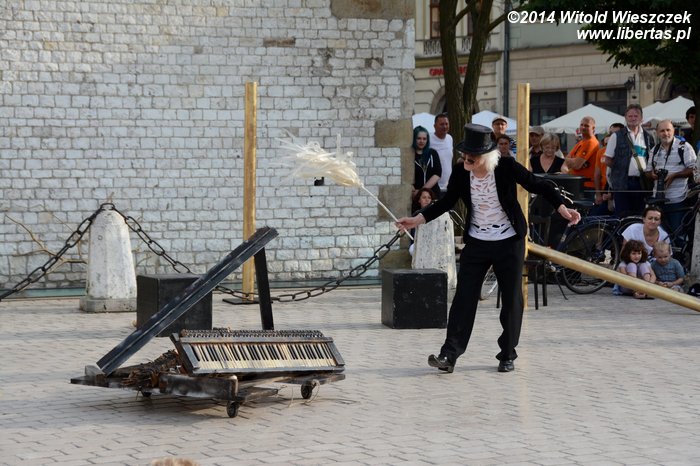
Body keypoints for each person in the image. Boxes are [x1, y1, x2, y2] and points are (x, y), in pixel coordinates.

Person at [395, 123, 581, 374]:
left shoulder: (505, 167)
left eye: (472, 155)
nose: (467, 159)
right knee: (463, 297)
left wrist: (563, 208)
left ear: (487, 155)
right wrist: (417, 219)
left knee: (512, 299)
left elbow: (539, 185)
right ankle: (449, 354)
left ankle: (507, 353)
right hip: (477, 242)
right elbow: (447, 201)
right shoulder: (461, 172)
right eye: (465, 154)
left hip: (509, 241)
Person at [645, 119, 697, 235]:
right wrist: (652, 174)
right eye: (662, 131)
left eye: (668, 130)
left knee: (677, 234)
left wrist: (674, 175)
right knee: (660, 235)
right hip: (658, 199)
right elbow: (647, 172)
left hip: (678, 198)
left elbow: (694, 169)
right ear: (657, 133)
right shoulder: (654, 150)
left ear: (673, 131)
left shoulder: (684, 147)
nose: (666, 133)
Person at [603, 104, 656, 217]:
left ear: (641, 118)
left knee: (639, 216)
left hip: (641, 183)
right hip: (622, 183)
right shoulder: (616, 136)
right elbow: (607, 160)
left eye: (636, 116)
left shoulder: (648, 137)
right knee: (622, 217)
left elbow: (651, 160)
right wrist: (620, 169)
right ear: (625, 117)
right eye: (630, 116)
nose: (633, 118)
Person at [410, 188, 458, 289]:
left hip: (437, 245)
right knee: (412, 249)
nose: (427, 200)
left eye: (429, 198)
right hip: (423, 246)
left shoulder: (442, 216)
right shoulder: (416, 216)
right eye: (424, 197)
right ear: (419, 200)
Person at [592, 123, 624, 216]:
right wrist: (598, 194)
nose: (612, 136)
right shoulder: (601, 151)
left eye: (616, 134)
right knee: (596, 217)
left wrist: (612, 194)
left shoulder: (625, 151)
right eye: (610, 133)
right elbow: (597, 175)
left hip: (618, 189)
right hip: (605, 189)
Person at [565, 116, 599, 195]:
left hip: (586, 185)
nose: (583, 127)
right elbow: (566, 160)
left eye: (586, 125)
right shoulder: (581, 142)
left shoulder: (591, 142)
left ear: (593, 128)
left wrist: (572, 161)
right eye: (581, 125)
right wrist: (574, 161)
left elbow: (576, 165)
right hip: (579, 184)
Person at [412, 125, 442, 205]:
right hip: (416, 198)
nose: (421, 141)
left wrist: (422, 191)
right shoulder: (409, 155)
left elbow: (437, 174)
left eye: (424, 139)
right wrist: (414, 191)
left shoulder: (432, 153)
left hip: (433, 195)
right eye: (419, 138)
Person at [430, 113, 454, 198]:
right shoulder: (429, 139)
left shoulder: (450, 138)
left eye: (446, 124)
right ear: (434, 126)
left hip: (448, 186)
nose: (444, 127)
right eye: (441, 124)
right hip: (434, 187)